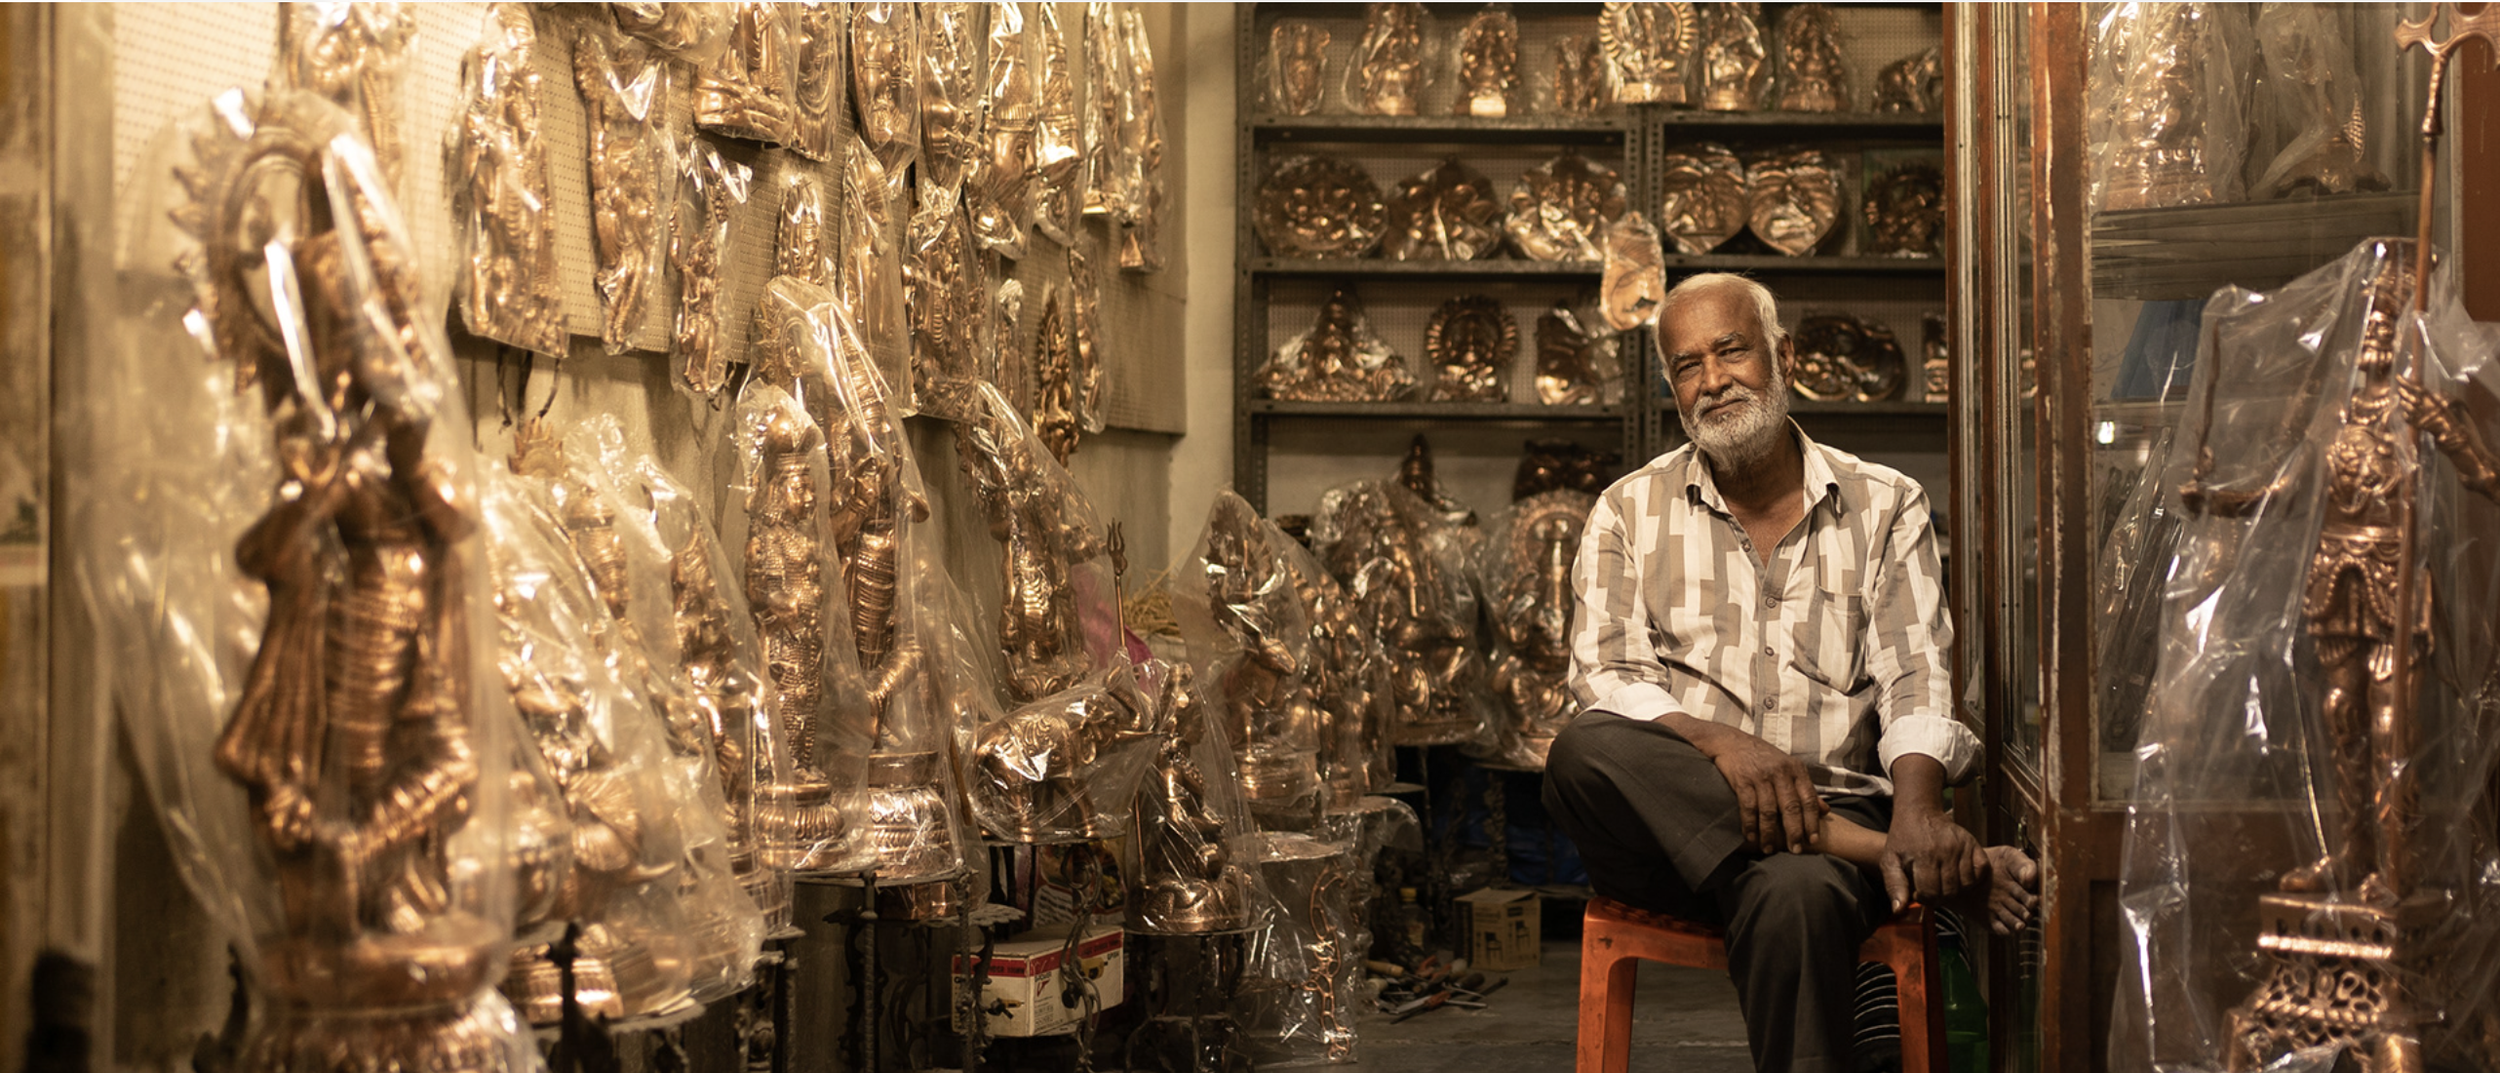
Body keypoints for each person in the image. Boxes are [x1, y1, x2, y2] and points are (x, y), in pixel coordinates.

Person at [1542, 274, 2036, 1073]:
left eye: (1730, 351)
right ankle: (1876, 852)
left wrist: (1918, 811)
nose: (1711, 380)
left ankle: (1881, 849)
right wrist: (1724, 746)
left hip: (1814, 864)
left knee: (1795, 900)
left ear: (1785, 358)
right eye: (1686, 365)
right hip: (1676, 843)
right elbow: (1606, 676)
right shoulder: (1627, 510)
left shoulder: (1885, 504)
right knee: (1582, 749)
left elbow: (1916, 672)